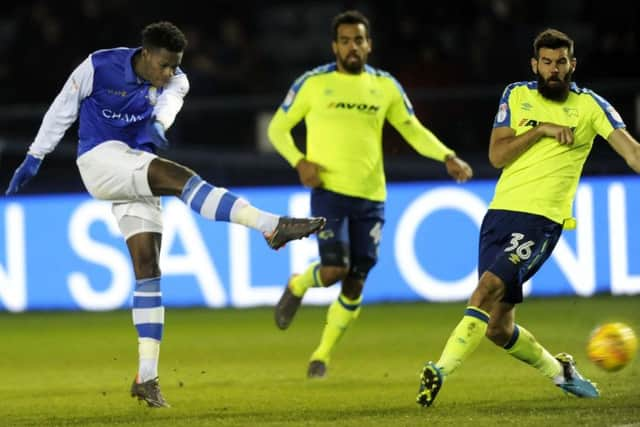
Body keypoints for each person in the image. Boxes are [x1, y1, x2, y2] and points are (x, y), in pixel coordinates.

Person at [4, 21, 325, 408]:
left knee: (148, 268)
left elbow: (170, 103)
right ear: (145, 55)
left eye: (175, 65)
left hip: (133, 165)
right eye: (164, 65)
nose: (170, 73)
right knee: (181, 179)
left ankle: (147, 377)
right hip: (99, 160)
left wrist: (158, 123)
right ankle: (271, 227)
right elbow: (62, 109)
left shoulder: (177, 81)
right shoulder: (99, 66)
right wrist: (35, 156)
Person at [415, 28, 640, 407]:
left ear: (573, 64)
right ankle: (561, 372)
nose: (554, 70)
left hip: (541, 221)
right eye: (547, 63)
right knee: (498, 328)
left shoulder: (590, 106)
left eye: (562, 62)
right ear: (535, 64)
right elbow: (497, 155)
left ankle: (439, 370)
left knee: (486, 288)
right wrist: (540, 132)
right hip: (499, 214)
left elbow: (632, 153)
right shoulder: (516, 95)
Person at [267, 10, 473, 379]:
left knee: (357, 278)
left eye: (359, 40)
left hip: (371, 196)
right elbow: (278, 129)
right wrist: (300, 161)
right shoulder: (312, 84)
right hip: (329, 192)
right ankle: (299, 284)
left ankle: (321, 356)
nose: (352, 47)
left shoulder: (385, 86)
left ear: (369, 45)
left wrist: (447, 156)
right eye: (345, 41)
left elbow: (412, 129)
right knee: (333, 270)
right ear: (334, 46)